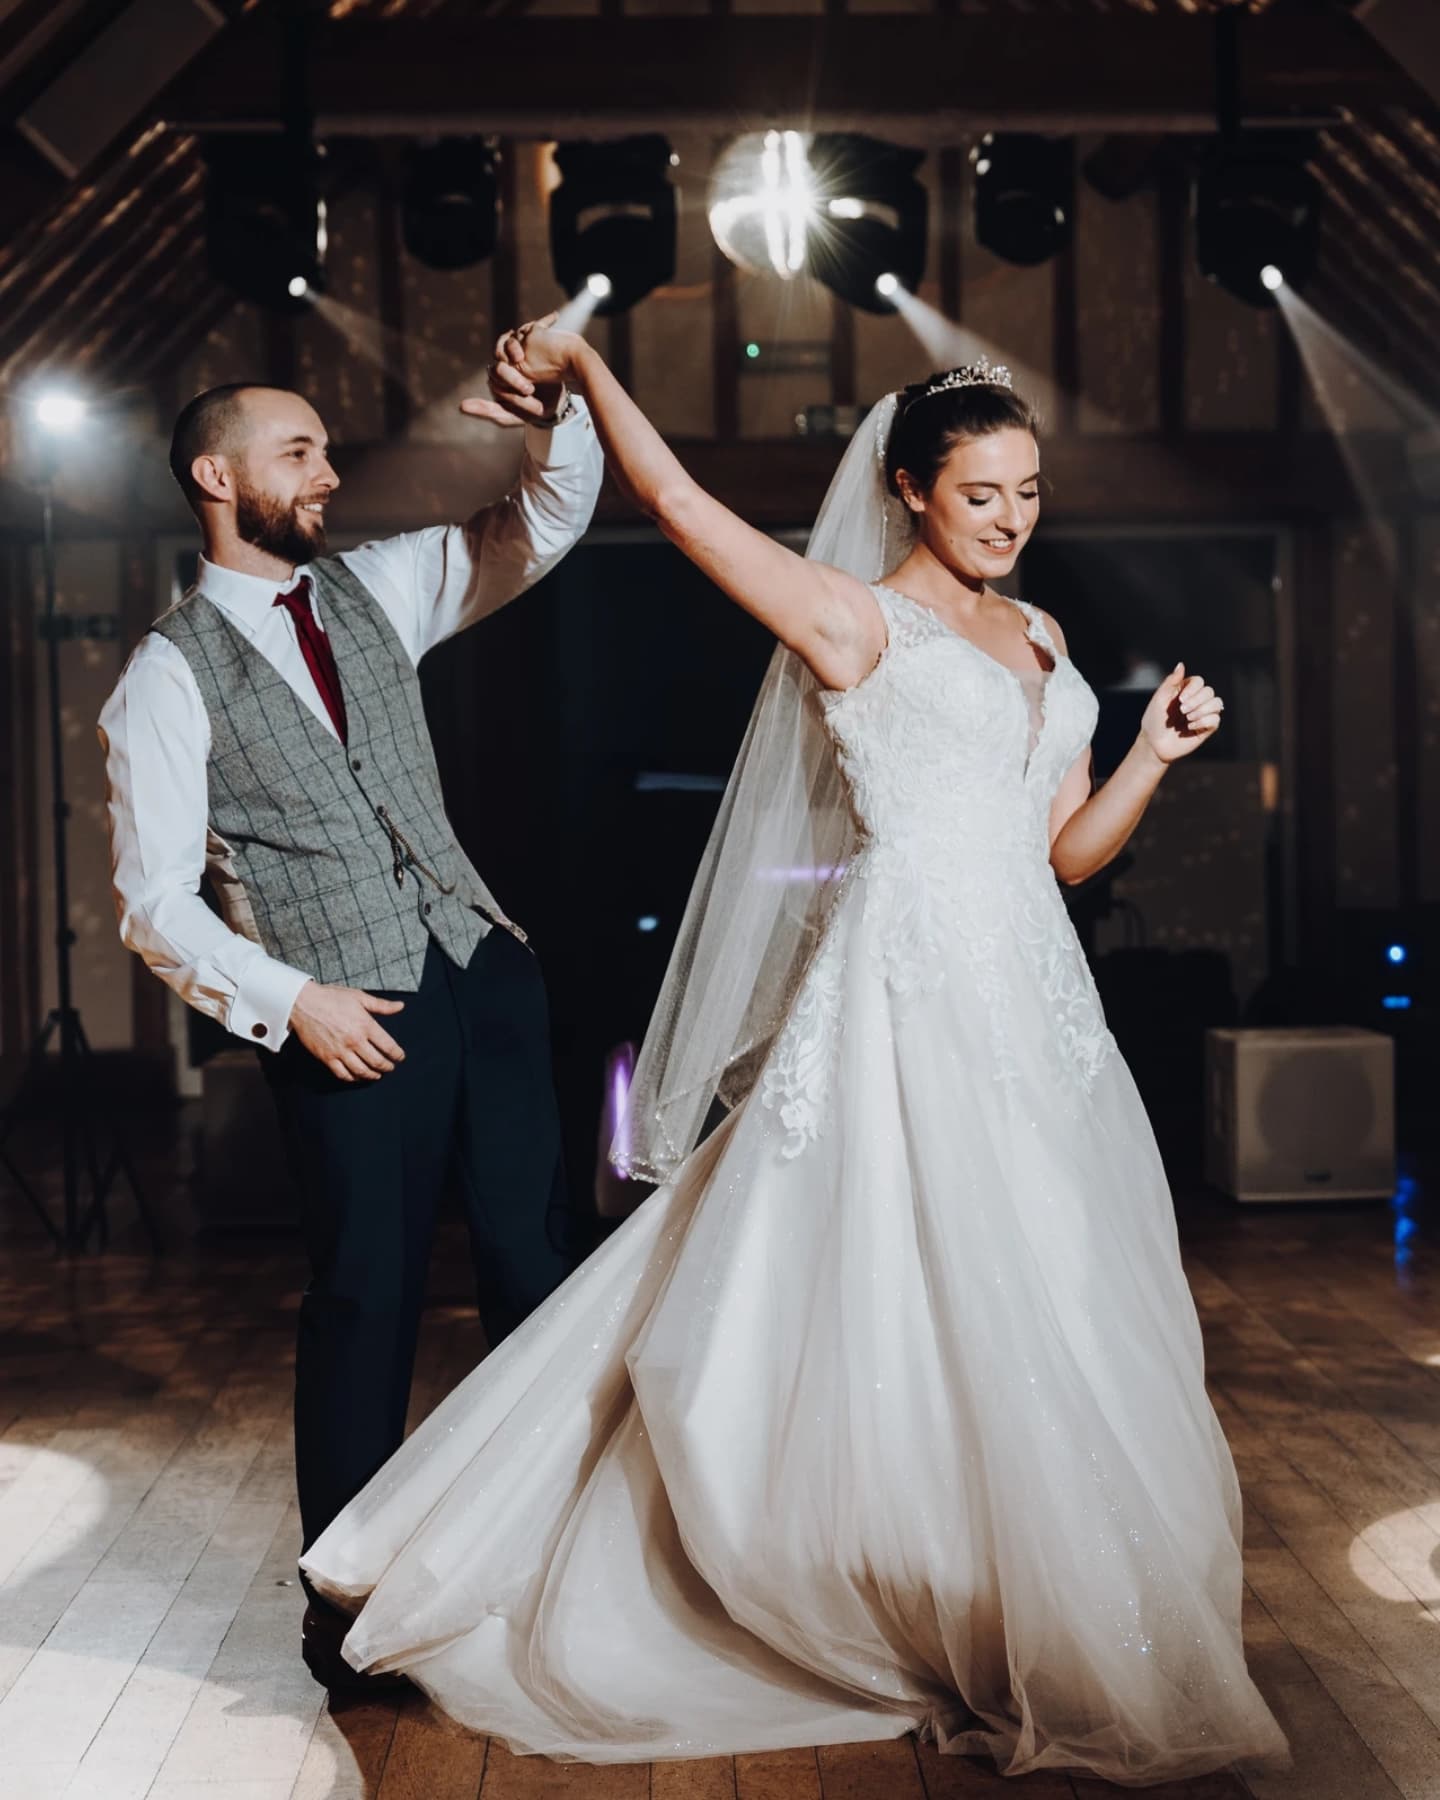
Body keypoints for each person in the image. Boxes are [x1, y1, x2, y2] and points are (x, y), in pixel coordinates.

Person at [300, 323, 1289, 1783]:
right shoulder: (851, 621)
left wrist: (1150, 752)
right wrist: (591, 378)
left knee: (1046, 1295)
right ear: (908, 490)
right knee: (895, 1281)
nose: (1012, 518)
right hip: (907, 992)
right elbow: (686, 510)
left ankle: (1013, 1593)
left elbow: (1061, 856)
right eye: (981, 494)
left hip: (1037, 1006)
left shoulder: (1049, 642)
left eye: (1029, 493)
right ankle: (862, 1591)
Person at [98, 366, 603, 1689]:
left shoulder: (378, 587)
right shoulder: (165, 674)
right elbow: (151, 903)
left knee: (535, 1268)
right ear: (219, 477)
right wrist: (291, 1003)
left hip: (482, 969)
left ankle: (558, 1563)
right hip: (345, 1010)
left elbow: (541, 529)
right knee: (365, 1295)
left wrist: (557, 427)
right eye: (300, 453)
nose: (329, 476)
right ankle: (352, 1607)